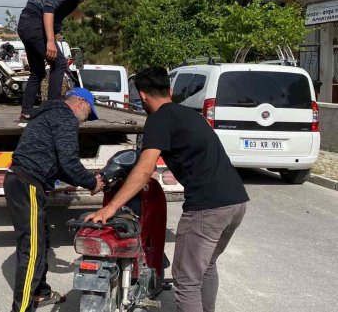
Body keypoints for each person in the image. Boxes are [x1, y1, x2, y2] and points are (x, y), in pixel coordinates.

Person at [84, 66, 249, 312]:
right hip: (236, 202)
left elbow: (144, 169)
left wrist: (110, 208)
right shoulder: (191, 115)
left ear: (142, 95)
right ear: (170, 90)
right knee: (206, 266)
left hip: (207, 207)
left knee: (186, 280)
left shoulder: (159, 119)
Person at [4, 87, 106, 312]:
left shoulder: (51, 114)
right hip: (26, 183)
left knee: (42, 243)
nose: (86, 119)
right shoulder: (65, 117)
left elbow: (55, 161)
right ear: (80, 103)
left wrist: (69, 180)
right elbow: (69, 161)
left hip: (24, 182)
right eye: (89, 112)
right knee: (32, 251)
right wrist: (91, 182)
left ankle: (40, 293)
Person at [17, 0, 106, 127]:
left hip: (27, 23)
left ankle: (26, 114)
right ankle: (52, 112)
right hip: (34, 23)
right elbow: (48, 7)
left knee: (38, 71)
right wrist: (50, 41)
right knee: (59, 63)